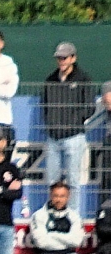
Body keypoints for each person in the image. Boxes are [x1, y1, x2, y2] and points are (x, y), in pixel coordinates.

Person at [42, 42, 94, 210]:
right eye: (59, 58)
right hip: (53, 138)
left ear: (73, 58)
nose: (61, 61)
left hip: (74, 137)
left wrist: (74, 121)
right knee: (52, 181)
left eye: (64, 58)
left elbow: (90, 107)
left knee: (73, 180)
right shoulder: (50, 80)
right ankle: (53, 214)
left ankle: (72, 216)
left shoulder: (83, 79)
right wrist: (51, 122)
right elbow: (45, 105)